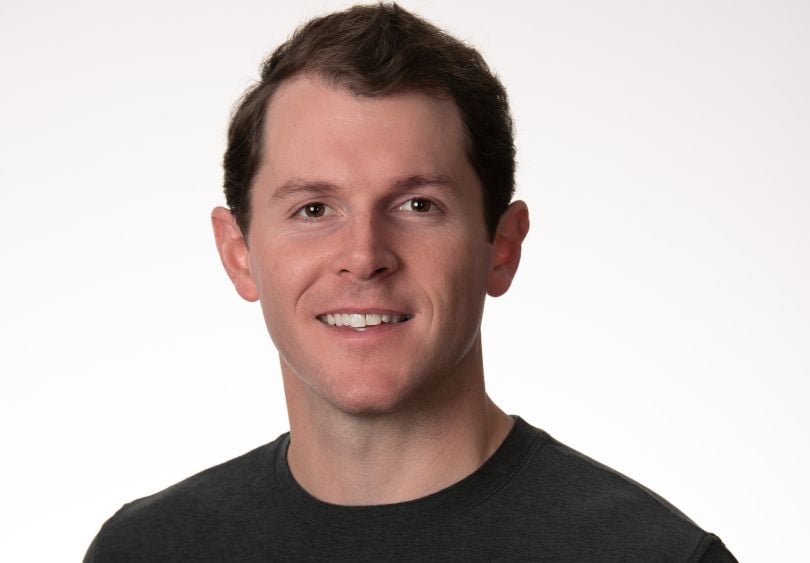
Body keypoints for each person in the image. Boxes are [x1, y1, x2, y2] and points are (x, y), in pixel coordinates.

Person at [85, 3, 736, 561]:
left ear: (501, 247)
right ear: (238, 254)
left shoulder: (655, 555)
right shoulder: (144, 551)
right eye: (314, 209)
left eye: (418, 205)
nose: (364, 256)